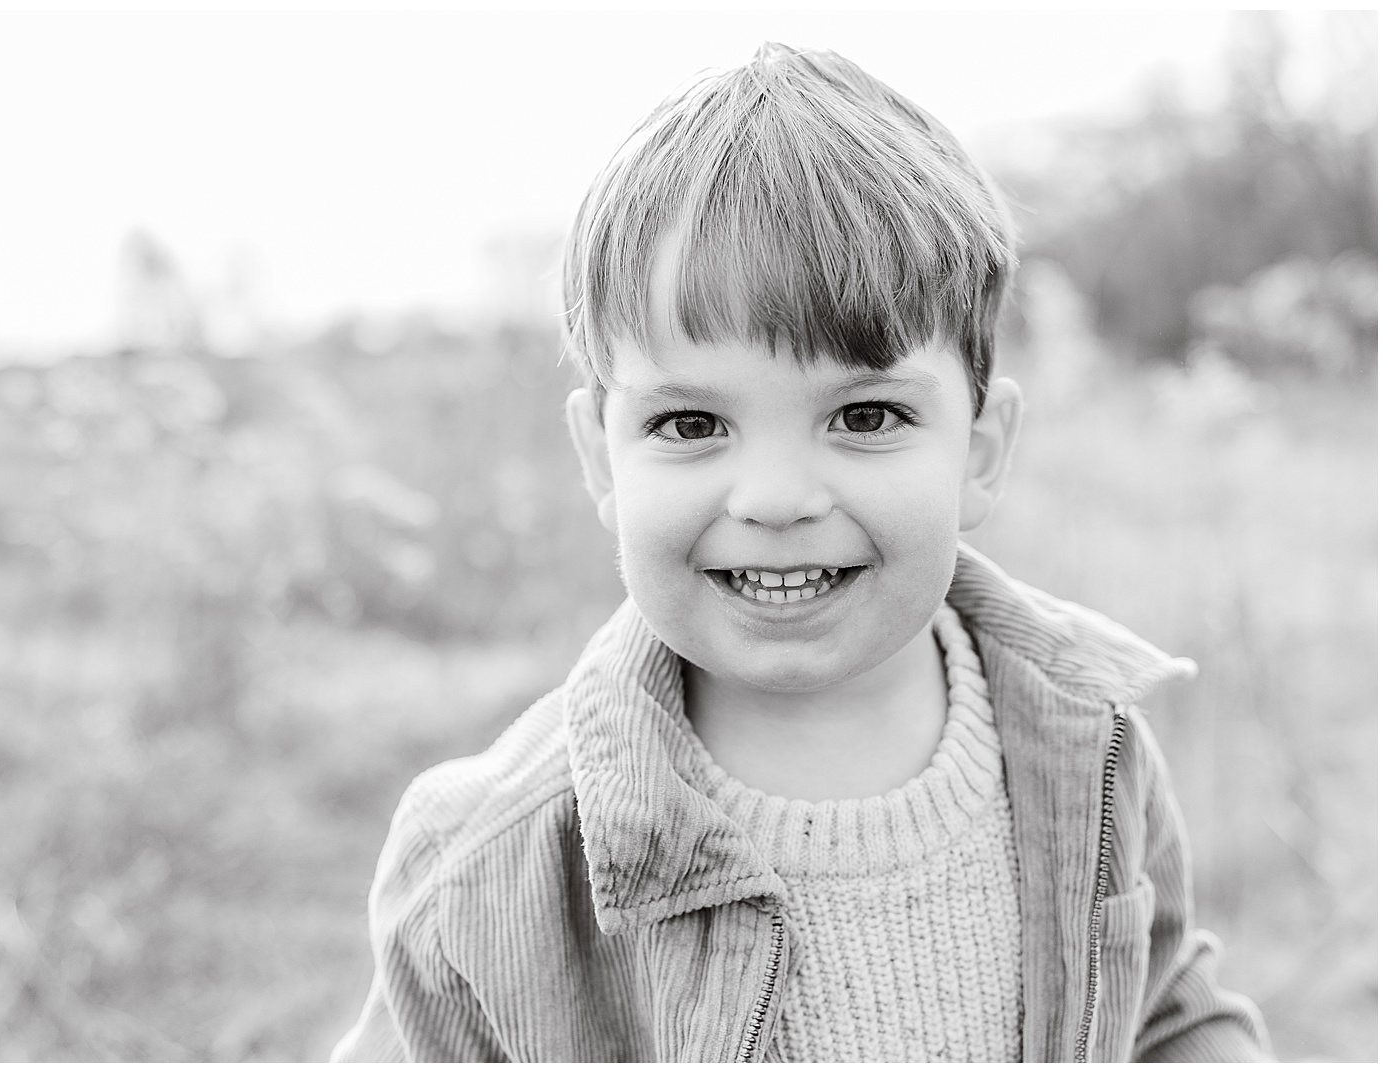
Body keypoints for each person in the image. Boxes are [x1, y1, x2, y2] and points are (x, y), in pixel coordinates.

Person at [330, 43, 1270, 1062]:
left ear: (979, 452)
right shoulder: (481, 871)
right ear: (601, 460)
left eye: (864, 415)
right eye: (692, 424)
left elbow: (1167, 1008)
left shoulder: (1092, 742)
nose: (775, 499)